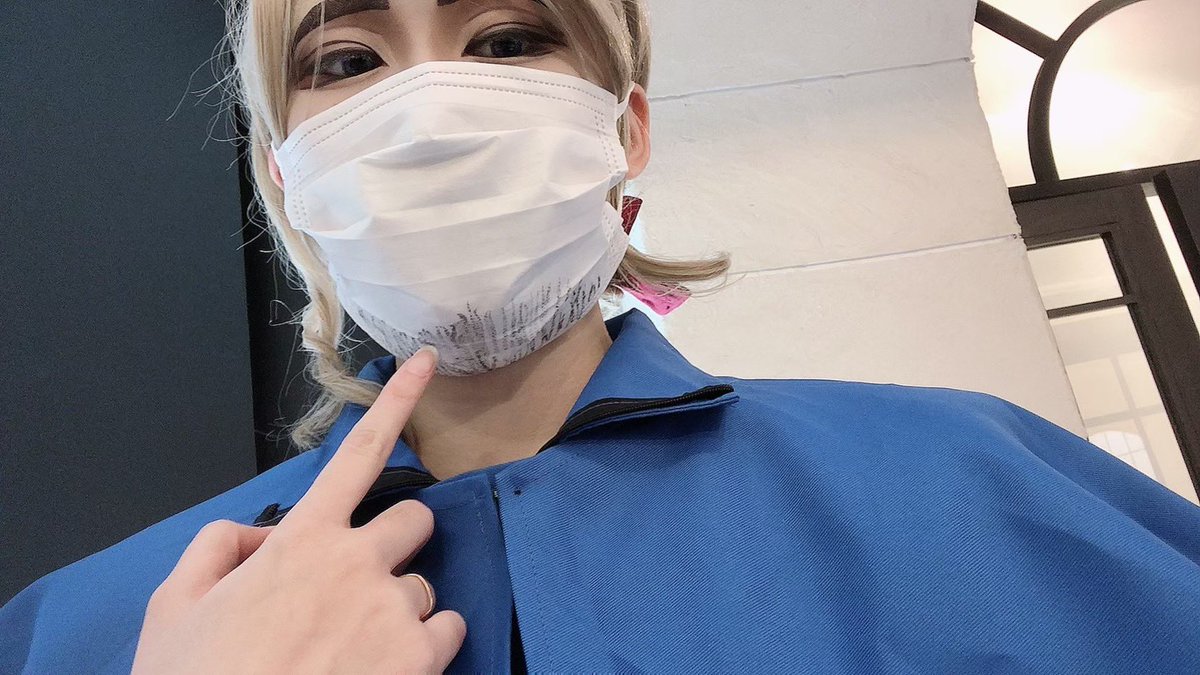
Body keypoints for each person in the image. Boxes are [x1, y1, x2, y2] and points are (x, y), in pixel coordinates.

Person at [3, 0, 1200, 672]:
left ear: (626, 130)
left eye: (506, 41)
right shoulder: (83, 631)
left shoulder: (974, 489)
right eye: (347, 60)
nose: (430, 117)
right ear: (286, 176)